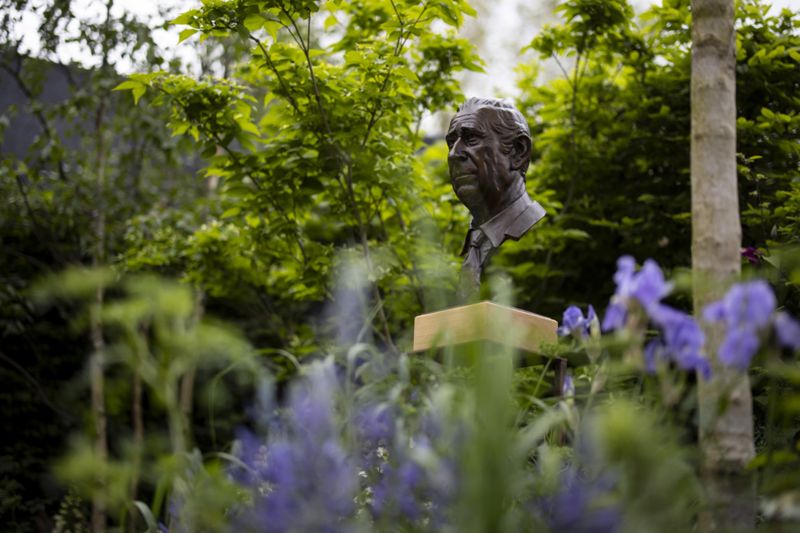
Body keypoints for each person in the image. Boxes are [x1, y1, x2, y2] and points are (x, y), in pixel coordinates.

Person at [446, 97, 546, 287]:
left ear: (518, 152)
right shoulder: (472, 246)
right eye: (451, 143)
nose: (453, 154)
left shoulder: (539, 242)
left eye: (471, 139)